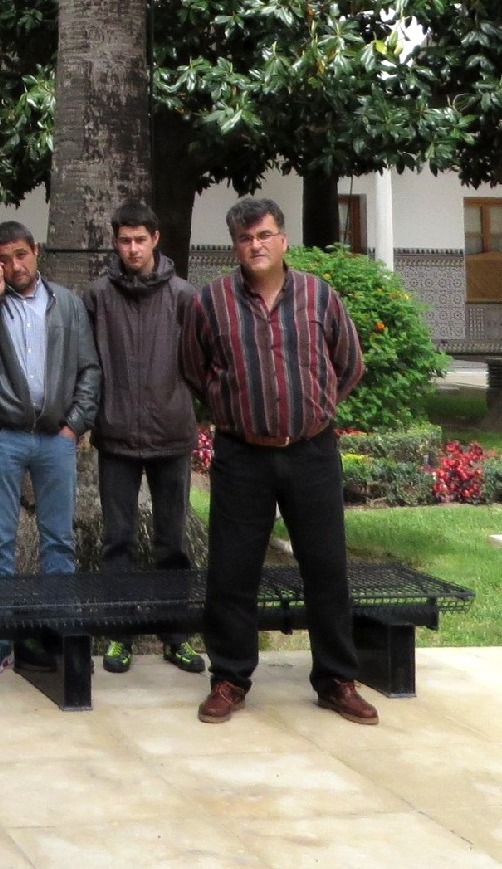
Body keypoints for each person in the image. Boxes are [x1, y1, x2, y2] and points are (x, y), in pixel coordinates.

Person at [181, 196, 377, 727]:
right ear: (235, 247)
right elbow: (196, 371)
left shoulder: (319, 295)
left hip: (312, 451)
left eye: (265, 235)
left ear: (283, 239)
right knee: (232, 571)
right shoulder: (211, 302)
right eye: (245, 239)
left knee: (326, 568)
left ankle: (336, 679)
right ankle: (229, 678)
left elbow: (349, 364)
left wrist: (314, 408)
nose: (256, 245)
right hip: (242, 455)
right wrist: (238, 410)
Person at [0, 220, 100, 675]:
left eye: (21, 254)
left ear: (36, 250)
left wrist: (74, 425)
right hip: (1, 436)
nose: (14, 265)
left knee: (58, 542)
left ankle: (55, 631)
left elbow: (89, 369)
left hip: (55, 439)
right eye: (3, 258)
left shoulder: (68, 304)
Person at [86, 199, 205, 674]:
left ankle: (176, 634)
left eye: (140, 239)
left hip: (171, 436)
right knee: (118, 542)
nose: (132, 249)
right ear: (115, 242)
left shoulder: (184, 296)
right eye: (124, 240)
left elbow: (200, 364)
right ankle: (119, 635)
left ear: (156, 239)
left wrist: (184, 404)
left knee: (172, 543)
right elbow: (87, 362)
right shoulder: (97, 296)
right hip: (115, 437)